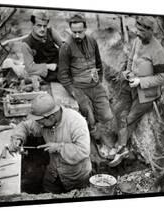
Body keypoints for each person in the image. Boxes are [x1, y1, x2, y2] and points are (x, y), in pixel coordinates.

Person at [110, 16, 164, 167]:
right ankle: (118, 141)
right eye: (137, 29)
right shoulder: (137, 40)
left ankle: (121, 149)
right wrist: (128, 72)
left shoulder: (158, 51)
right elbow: (130, 59)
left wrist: (141, 81)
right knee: (117, 110)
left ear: (150, 31)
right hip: (132, 85)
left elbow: (161, 77)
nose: (138, 33)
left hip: (147, 94)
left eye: (142, 31)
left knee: (130, 118)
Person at [58, 13, 117, 157]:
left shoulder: (92, 41)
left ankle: (106, 136)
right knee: (88, 114)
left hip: (95, 85)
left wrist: (100, 79)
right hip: (79, 87)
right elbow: (63, 75)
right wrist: (73, 91)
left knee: (107, 115)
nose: (77, 35)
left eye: (80, 32)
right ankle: (97, 140)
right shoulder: (66, 47)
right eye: (74, 32)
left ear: (85, 28)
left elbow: (98, 63)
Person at [8, 93, 92, 193]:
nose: (39, 125)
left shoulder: (76, 122)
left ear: (51, 117)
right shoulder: (44, 120)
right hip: (53, 172)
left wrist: (59, 147)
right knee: (47, 193)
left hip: (76, 177)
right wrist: (18, 138)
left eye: (41, 122)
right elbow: (25, 126)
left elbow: (83, 151)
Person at [21, 10, 63, 82]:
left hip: (60, 64)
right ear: (32, 25)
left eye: (45, 26)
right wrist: (48, 66)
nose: (42, 29)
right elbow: (29, 67)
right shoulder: (26, 44)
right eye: (39, 26)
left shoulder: (51, 32)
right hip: (47, 71)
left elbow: (64, 47)